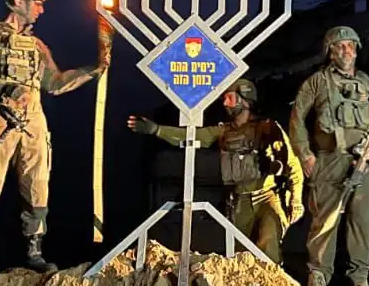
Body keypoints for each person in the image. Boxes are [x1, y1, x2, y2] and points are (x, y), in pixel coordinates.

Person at [0, 0, 106, 277]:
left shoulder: (37, 46)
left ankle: (34, 250)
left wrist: (91, 71)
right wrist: (7, 87)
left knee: (38, 186)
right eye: (37, 3)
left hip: (34, 122)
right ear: (18, 2)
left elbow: (53, 82)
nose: (41, 10)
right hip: (2, 119)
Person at [127, 78, 305, 264]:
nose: (225, 103)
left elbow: (292, 165)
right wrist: (157, 130)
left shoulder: (267, 127)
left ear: (244, 100)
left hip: (266, 197)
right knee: (242, 256)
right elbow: (191, 137)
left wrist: (296, 199)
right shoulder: (223, 131)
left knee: (269, 242)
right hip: (238, 203)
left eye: (230, 98)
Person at [288, 25, 369, 286]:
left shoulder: (367, 83)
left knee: (363, 221)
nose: (347, 51)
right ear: (330, 52)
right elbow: (297, 119)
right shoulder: (317, 82)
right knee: (325, 221)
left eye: (351, 46)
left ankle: (359, 280)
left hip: (365, 161)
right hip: (329, 160)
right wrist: (305, 154)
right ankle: (318, 277)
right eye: (341, 46)